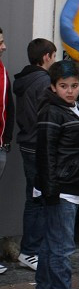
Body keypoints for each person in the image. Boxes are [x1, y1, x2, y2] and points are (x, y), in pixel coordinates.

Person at [31, 61, 79, 289]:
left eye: (74, 85)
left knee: (51, 243)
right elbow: (45, 154)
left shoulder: (73, 108)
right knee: (62, 246)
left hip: (68, 185)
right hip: (60, 188)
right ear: (53, 86)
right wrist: (51, 190)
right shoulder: (52, 111)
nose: (70, 91)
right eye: (63, 86)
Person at [13, 38, 56, 272]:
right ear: (47, 56)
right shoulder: (43, 82)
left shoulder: (24, 79)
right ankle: (30, 251)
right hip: (38, 146)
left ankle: (29, 250)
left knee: (34, 199)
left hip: (27, 143)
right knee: (39, 200)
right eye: (54, 55)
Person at [0, 28, 12, 274]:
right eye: (0, 42)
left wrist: (6, 140)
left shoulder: (3, 72)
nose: (3, 47)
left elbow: (8, 108)